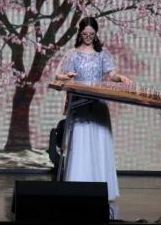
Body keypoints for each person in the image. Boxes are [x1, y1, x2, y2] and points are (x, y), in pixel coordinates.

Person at [55, 17, 132, 201]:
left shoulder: (102, 53)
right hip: (80, 102)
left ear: (96, 34)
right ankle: (78, 189)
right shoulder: (72, 54)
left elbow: (111, 74)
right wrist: (67, 76)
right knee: (80, 142)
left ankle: (101, 189)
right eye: (85, 34)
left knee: (99, 141)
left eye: (91, 34)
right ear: (80, 33)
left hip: (98, 103)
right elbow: (58, 75)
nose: (88, 37)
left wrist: (120, 77)